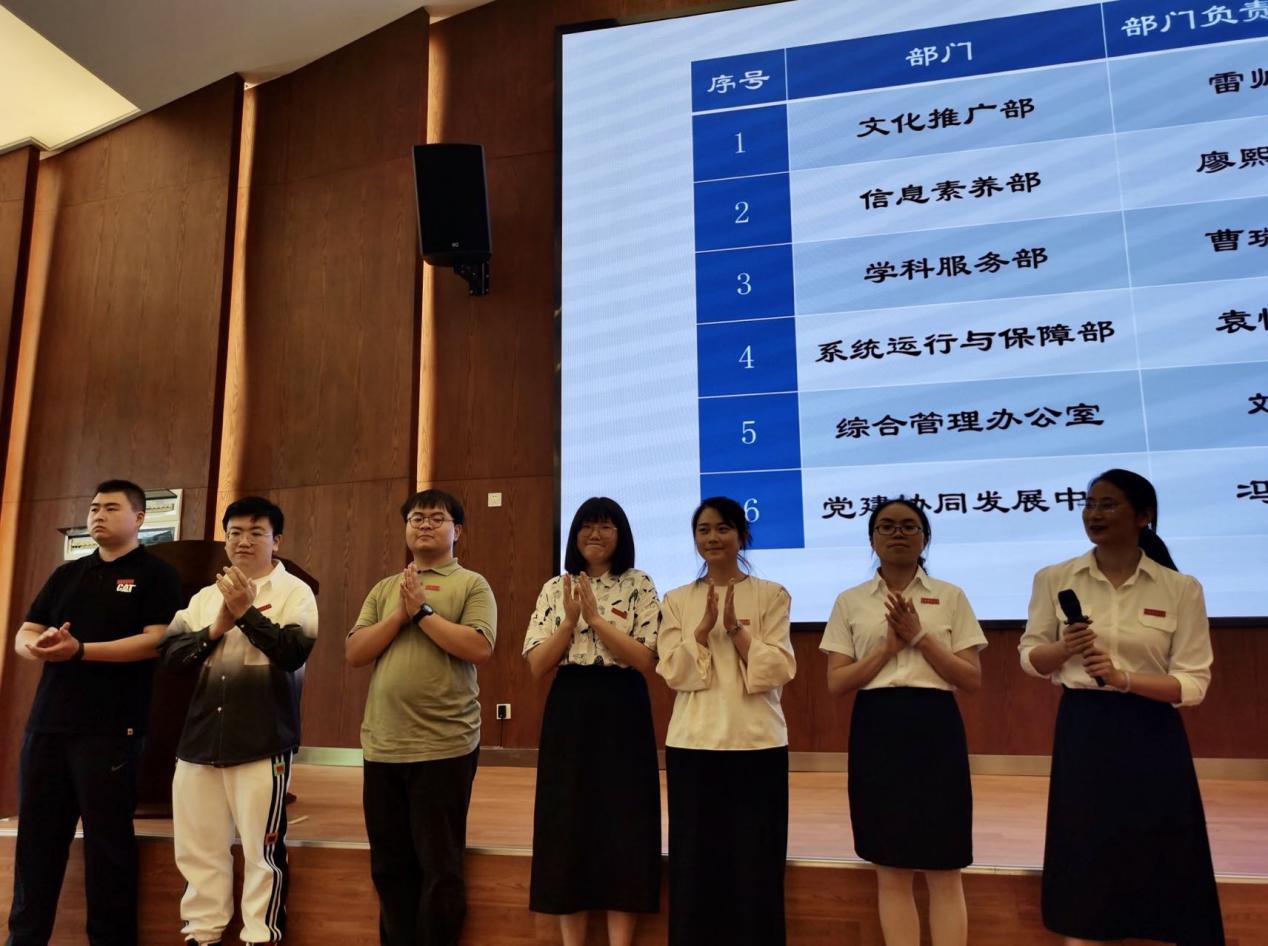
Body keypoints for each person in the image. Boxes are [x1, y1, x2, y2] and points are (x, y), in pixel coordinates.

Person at [1019, 468, 1224, 946]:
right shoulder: (1054, 578)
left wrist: (1123, 679)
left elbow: (1193, 683)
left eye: (1108, 504)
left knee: (1159, 845)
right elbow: (1031, 659)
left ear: (1144, 516)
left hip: (1152, 730)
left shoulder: (1180, 588)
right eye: (1089, 504)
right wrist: (1065, 647)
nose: (1094, 514)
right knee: (1085, 846)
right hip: (1084, 727)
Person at [7, 479, 181, 946]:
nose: (98, 515)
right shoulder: (68, 573)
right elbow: (26, 632)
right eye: (94, 508)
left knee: (108, 846)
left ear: (139, 518)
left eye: (110, 508)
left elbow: (156, 641)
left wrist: (81, 650)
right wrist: (39, 647)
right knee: (36, 843)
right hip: (48, 726)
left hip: (112, 729)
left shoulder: (156, 574)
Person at [820, 498, 985, 946]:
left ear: (925, 538)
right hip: (877, 728)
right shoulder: (850, 601)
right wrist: (887, 650)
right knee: (890, 867)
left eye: (909, 526)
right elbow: (837, 682)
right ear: (872, 539)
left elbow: (971, 679)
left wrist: (920, 638)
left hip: (936, 727)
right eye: (887, 526)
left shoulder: (950, 596)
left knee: (944, 867)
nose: (898, 533)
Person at [158, 496, 319, 946]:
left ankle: (260, 936)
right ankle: (202, 934)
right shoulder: (205, 597)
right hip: (199, 740)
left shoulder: (294, 593)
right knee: (198, 849)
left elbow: (293, 653)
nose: (243, 541)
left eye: (256, 532)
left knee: (261, 852)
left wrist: (245, 614)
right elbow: (169, 656)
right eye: (234, 533)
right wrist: (216, 626)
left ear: (276, 541)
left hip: (262, 740)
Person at [346, 489, 497, 946]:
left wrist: (422, 612)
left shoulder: (472, 584)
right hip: (383, 744)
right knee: (389, 866)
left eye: (436, 518)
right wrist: (400, 614)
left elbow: (478, 647)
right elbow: (355, 652)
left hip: (444, 745)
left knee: (440, 866)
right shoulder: (385, 588)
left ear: (458, 531)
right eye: (416, 518)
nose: (425, 524)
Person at [655, 496, 795, 946]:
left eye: (722, 528)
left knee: (757, 860)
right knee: (694, 860)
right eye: (704, 530)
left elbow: (778, 670)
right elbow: (674, 673)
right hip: (693, 744)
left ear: (741, 535)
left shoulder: (772, 594)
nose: (712, 538)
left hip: (757, 744)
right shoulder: (678, 600)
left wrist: (736, 631)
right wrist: (700, 633)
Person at [523, 497, 661, 946]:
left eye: (605, 526)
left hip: (623, 707)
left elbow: (645, 659)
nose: (595, 534)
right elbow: (537, 665)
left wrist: (597, 620)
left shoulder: (639, 583)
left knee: (626, 821)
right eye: (586, 525)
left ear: (621, 534)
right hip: (570, 708)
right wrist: (569, 622)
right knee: (567, 823)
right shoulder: (555, 587)